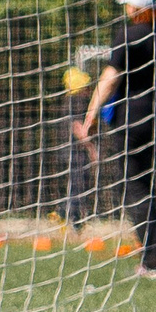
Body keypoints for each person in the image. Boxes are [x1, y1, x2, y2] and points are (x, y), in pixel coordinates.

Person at [73, 0, 156, 278]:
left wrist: (90, 118)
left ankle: (154, 256)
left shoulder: (128, 35)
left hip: (132, 121)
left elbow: (110, 79)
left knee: (133, 188)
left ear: (136, 7)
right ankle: (153, 254)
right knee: (143, 185)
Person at [59, 66, 98, 225]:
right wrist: (92, 149)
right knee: (78, 183)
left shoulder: (68, 101)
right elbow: (78, 129)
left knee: (76, 183)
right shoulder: (76, 101)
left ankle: (63, 213)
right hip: (74, 152)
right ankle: (73, 219)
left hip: (67, 150)